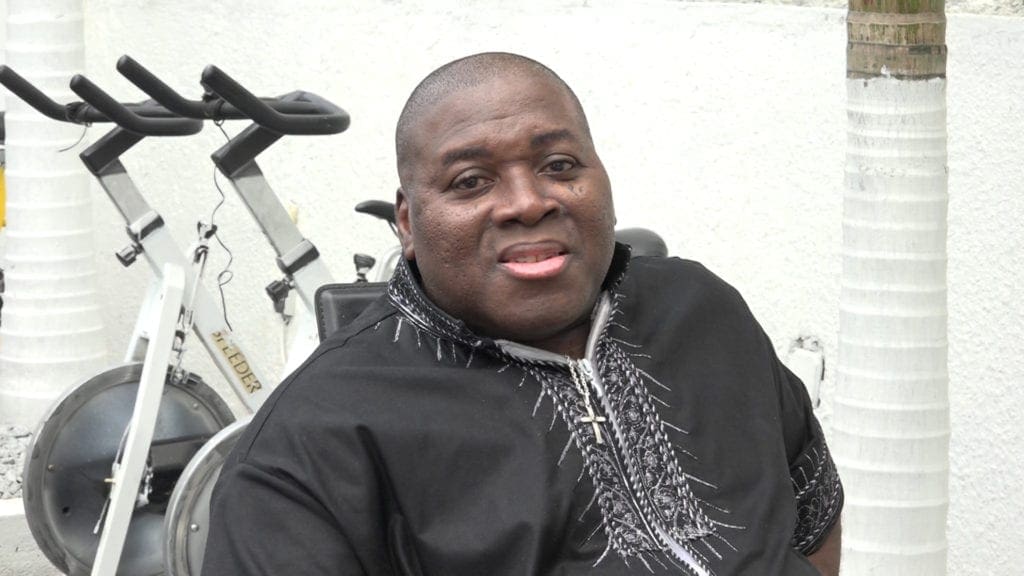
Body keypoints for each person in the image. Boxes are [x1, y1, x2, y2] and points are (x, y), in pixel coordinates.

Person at [202, 52, 843, 576]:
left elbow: (812, 515)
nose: (528, 203)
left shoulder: (702, 311)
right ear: (407, 222)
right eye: (471, 181)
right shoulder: (311, 441)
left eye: (558, 166)